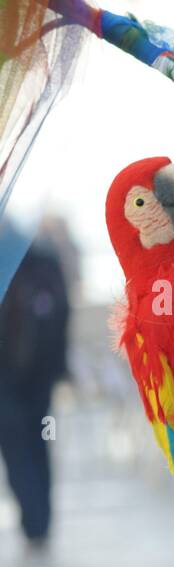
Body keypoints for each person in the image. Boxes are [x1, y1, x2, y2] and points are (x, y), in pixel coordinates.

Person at [0, 222, 70, 550]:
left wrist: (58, 368)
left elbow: (61, 314)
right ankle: (34, 521)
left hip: (39, 380)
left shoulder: (41, 257)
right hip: (8, 381)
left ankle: (39, 521)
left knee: (42, 440)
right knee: (18, 448)